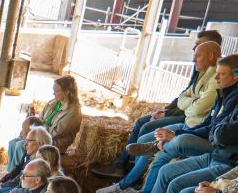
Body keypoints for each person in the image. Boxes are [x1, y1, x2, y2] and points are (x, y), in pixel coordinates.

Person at [92, 40, 222, 185]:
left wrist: (187, 105)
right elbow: (182, 99)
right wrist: (188, 104)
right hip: (189, 122)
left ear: (211, 56)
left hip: (193, 126)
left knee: (149, 135)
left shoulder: (215, 78)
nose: (193, 59)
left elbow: (198, 108)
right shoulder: (203, 74)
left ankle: (127, 183)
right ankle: (127, 176)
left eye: (197, 55)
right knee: (143, 137)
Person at [41, 74, 83, 152]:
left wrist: (38, 129)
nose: (53, 93)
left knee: (21, 146)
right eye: (53, 90)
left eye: (56, 91)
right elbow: (40, 117)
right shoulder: (54, 102)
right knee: (14, 142)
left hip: (55, 143)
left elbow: (56, 133)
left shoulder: (74, 111)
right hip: (43, 134)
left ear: (67, 92)